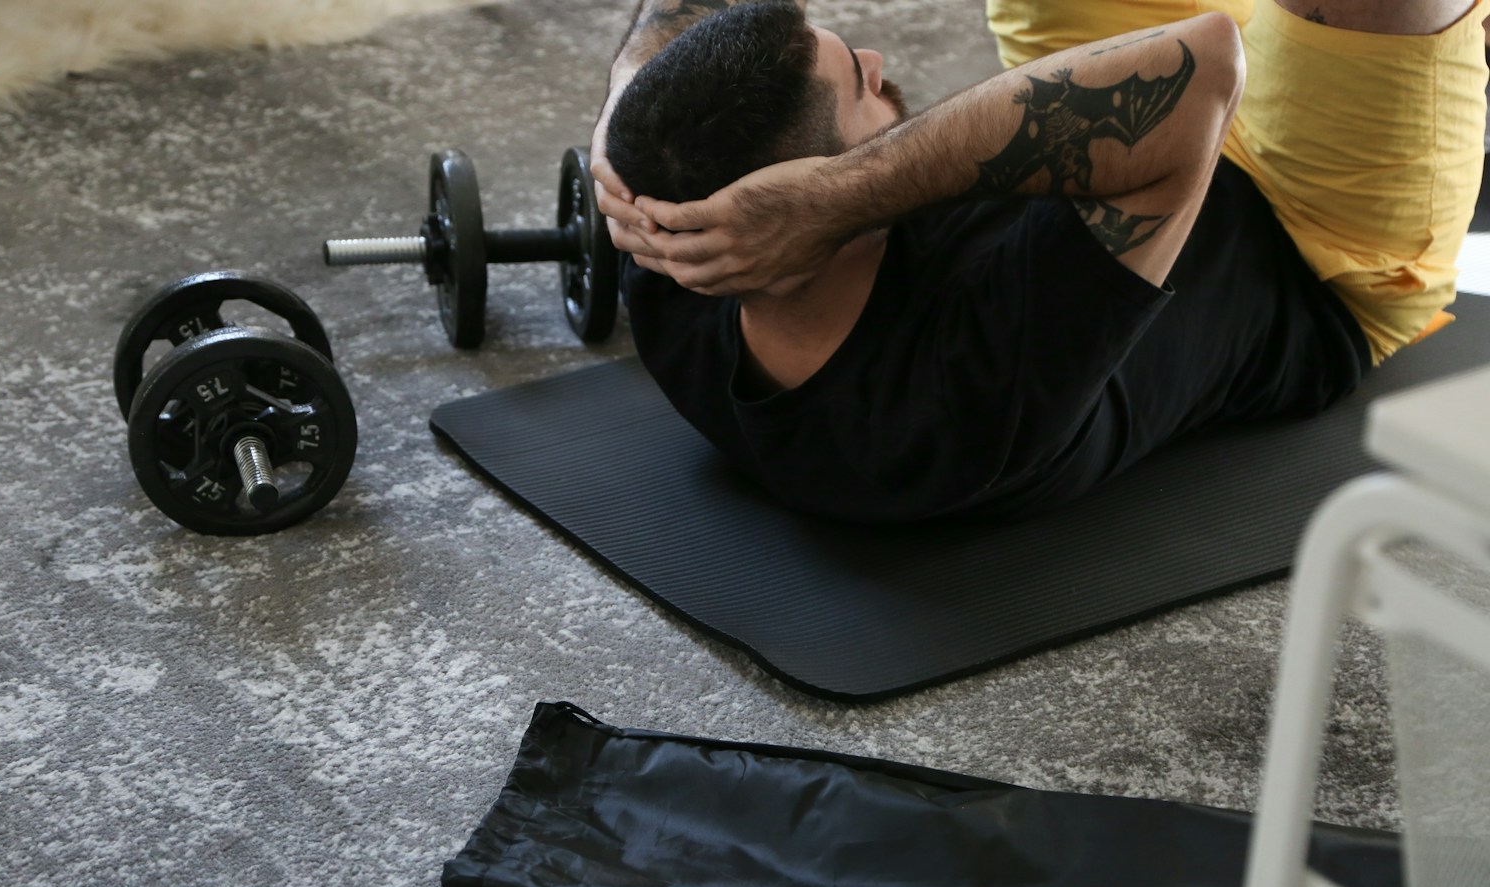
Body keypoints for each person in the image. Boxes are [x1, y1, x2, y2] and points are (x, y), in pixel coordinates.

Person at [587, 0, 1488, 522]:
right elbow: (1205, 65)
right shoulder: (954, 401)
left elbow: (686, 17)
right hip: (1305, 240)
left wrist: (626, 111)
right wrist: (842, 193)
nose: (876, 57)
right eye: (857, 83)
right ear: (816, 208)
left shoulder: (682, 260)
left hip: (1095, 129)